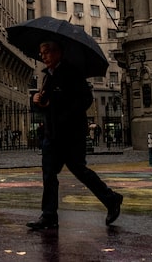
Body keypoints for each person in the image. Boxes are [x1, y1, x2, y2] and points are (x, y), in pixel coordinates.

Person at [26, 40, 123, 230]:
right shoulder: (47, 76)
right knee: (49, 174)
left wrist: (55, 105)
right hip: (52, 134)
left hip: (71, 135)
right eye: (41, 53)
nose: (43, 56)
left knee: (80, 171)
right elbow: (45, 104)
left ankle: (111, 199)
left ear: (58, 52)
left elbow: (85, 100)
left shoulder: (72, 73)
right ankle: (49, 215)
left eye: (47, 52)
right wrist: (35, 100)